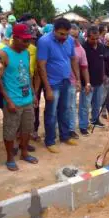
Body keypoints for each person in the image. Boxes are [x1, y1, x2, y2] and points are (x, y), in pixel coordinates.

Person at [0, 24, 38, 171]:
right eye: (24, 40)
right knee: (10, 130)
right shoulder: (3, 54)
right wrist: (8, 100)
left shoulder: (26, 53)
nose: (28, 44)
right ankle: (10, 158)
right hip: (13, 101)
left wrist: (33, 94)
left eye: (29, 41)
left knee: (27, 128)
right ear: (15, 38)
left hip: (27, 99)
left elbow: (27, 75)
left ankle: (24, 153)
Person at [37, 18, 80, 153]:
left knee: (65, 110)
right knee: (51, 113)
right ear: (54, 30)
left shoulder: (70, 41)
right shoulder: (44, 41)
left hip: (66, 81)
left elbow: (73, 59)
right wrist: (47, 88)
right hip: (52, 83)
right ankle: (50, 141)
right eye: (61, 34)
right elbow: (41, 66)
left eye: (66, 34)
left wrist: (77, 79)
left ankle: (65, 136)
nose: (64, 37)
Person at [79, 26, 105, 136]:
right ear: (87, 37)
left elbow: (102, 62)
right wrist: (83, 82)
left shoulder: (101, 47)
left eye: (97, 38)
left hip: (99, 81)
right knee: (85, 105)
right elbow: (81, 67)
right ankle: (83, 126)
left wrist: (103, 75)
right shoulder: (83, 48)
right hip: (87, 82)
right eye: (92, 39)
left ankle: (95, 119)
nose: (95, 41)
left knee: (97, 103)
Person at [69, 24, 91, 139]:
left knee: (72, 106)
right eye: (71, 36)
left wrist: (86, 82)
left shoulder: (80, 49)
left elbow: (84, 67)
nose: (73, 39)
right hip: (58, 82)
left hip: (72, 82)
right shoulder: (60, 46)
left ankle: (71, 129)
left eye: (76, 36)